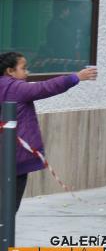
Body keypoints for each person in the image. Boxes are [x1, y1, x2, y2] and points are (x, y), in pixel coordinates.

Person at [0, 52, 97, 212]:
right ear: (10, 71)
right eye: (23, 68)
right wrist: (76, 77)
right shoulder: (15, 87)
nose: (27, 72)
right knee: (8, 209)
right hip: (16, 158)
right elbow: (45, 88)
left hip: (7, 156)